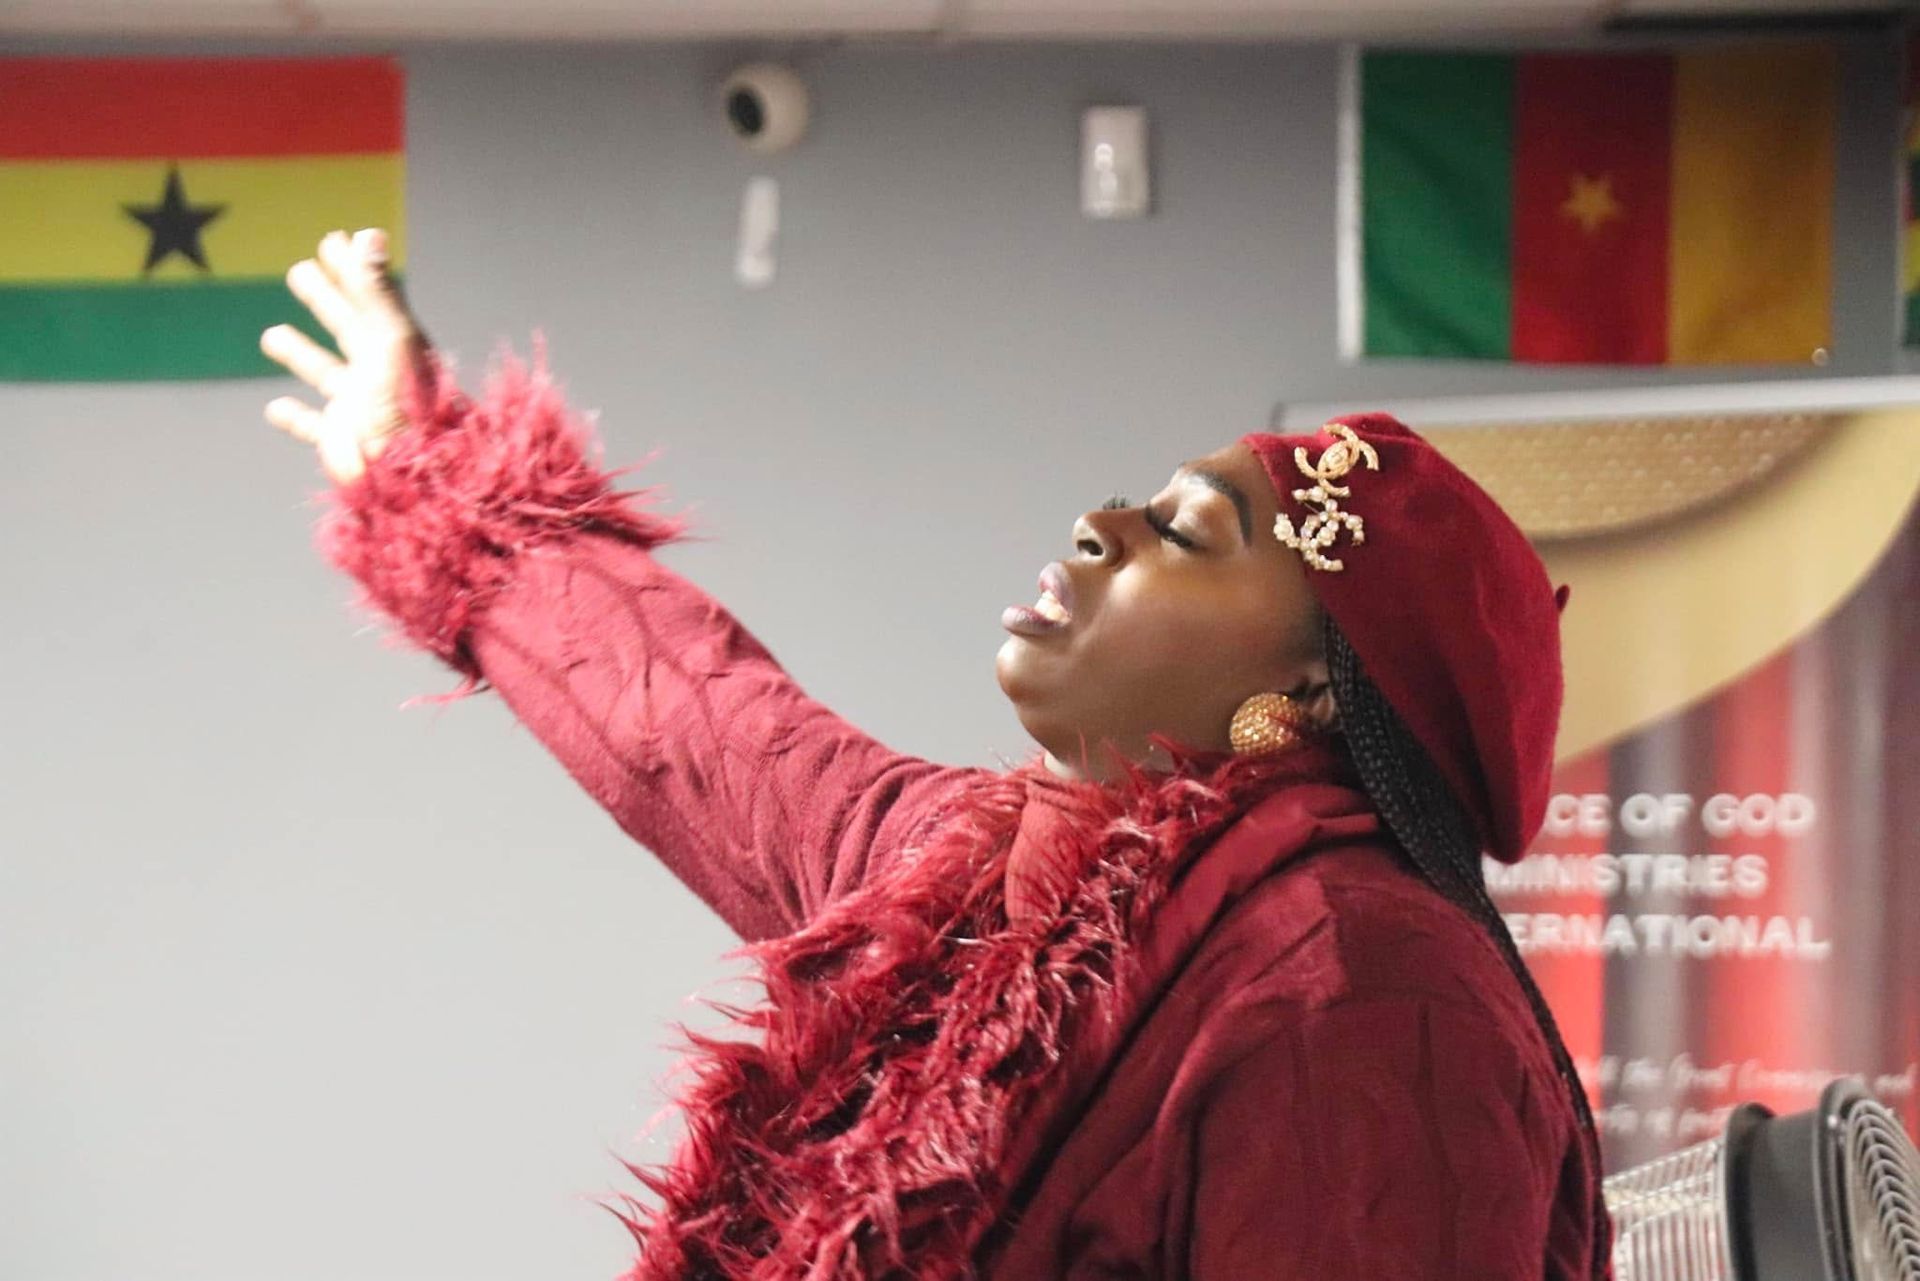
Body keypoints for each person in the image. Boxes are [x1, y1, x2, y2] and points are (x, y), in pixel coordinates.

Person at [262, 227, 1610, 1280]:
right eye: (1140, 501)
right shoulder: (970, 876)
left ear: (1312, 693)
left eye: (1188, 535)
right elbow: (697, 728)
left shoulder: (1365, 988)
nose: (1101, 523)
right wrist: (419, 463)